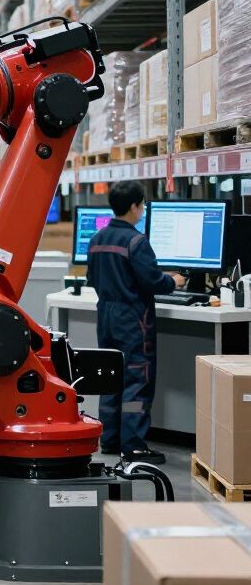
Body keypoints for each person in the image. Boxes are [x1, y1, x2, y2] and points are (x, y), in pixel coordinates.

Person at [85, 181, 186, 464]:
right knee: (135, 380)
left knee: (110, 377)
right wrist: (174, 280)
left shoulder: (97, 239)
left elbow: (92, 279)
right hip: (132, 320)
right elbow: (153, 281)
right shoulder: (136, 242)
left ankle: (110, 439)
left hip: (105, 315)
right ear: (134, 207)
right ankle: (133, 446)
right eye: (142, 204)